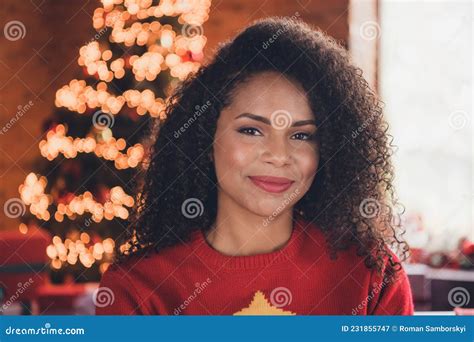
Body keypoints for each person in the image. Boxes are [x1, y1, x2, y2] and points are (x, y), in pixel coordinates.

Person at [96, 17, 414, 315]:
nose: (278, 155)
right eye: (251, 130)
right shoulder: (136, 288)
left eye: (302, 135)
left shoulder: (372, 275)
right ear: (206, 138)